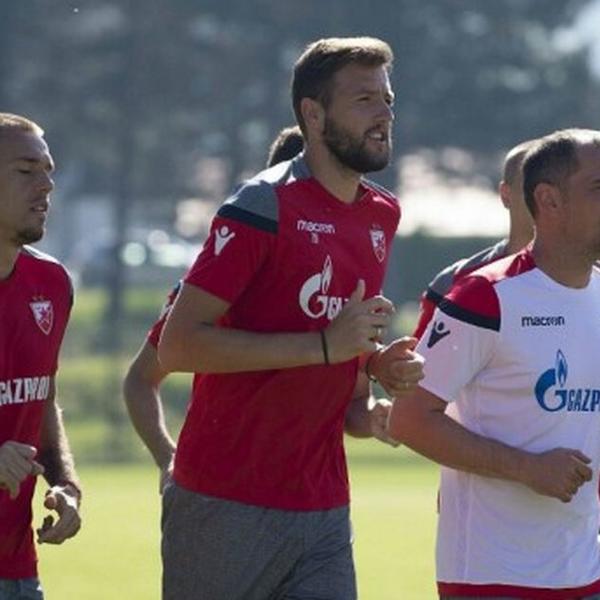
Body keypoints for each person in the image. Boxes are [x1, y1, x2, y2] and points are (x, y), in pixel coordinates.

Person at [155, 37, 422, 600]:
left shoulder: (382, 213)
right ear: (313, 114)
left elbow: (341, 358)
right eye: (365, 100)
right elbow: (178, 346)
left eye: (388, 99)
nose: (384, 114)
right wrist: (324, 346)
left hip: (324, 507)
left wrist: (376, 364)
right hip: (225, 502)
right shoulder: (262, 204)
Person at [123, 123, 403, 494]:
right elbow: (141, 379)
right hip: (225, 492)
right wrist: (166, 456)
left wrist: (374, 416)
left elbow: (353, 401)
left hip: (319, 497)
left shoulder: (346, 284)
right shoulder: (213, 286)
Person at [387, 128, 600, 599]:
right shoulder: (484, 296)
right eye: (598, 187)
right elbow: (409, 419)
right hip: (492, 575)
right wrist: (527, 468)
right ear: (549, 201)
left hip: (585, 570)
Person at [0, 113, 82, 600]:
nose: (47, 185)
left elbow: (41, 398)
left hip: (17, 571)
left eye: (48, 171)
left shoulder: (50, 283)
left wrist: (65, 482)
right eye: (26, 170)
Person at [413, 139, 536, 339]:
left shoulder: (588, 278)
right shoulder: (453, 282)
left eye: (558, 188)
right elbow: (419, 357)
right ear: (506, 195)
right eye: (532, 186)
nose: (546, 197)